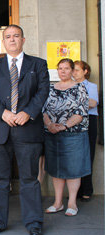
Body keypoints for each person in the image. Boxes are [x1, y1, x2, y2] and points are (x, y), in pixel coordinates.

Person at [0, 24, 49, 235]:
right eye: (8, 37)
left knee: (29, 179)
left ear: (23, 39)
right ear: (3, 41)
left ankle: (34, 223)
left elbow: (43, 91)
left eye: (16, 36)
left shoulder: (38, 64)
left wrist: (28, 113)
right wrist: (3, 113)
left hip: (28, 129)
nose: (12, 39)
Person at [43, 58, 90, 217]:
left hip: (73, 134)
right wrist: (50, 125)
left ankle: (72, 203)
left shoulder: (80, 88)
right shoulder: (50, 88)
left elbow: (80, 113)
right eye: (60, 68)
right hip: (52, 134)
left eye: (66, 68)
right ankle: (58, 203)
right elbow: (44, 110)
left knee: (73, 169)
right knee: (56, 168)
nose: (63, 71)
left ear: (72, 71)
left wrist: (64, 126)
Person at [74, 60, 99, 202]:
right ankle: (76, 190)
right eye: (74, 70)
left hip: (89, 120)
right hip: (74, 121)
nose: (74, 73)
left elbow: (93, 103)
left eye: (77, 70)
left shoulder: (92, 86)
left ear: (85, 71)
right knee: (76, 156)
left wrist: (75, 101)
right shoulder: (70, 86)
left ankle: (87, 190)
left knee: (88, 155)